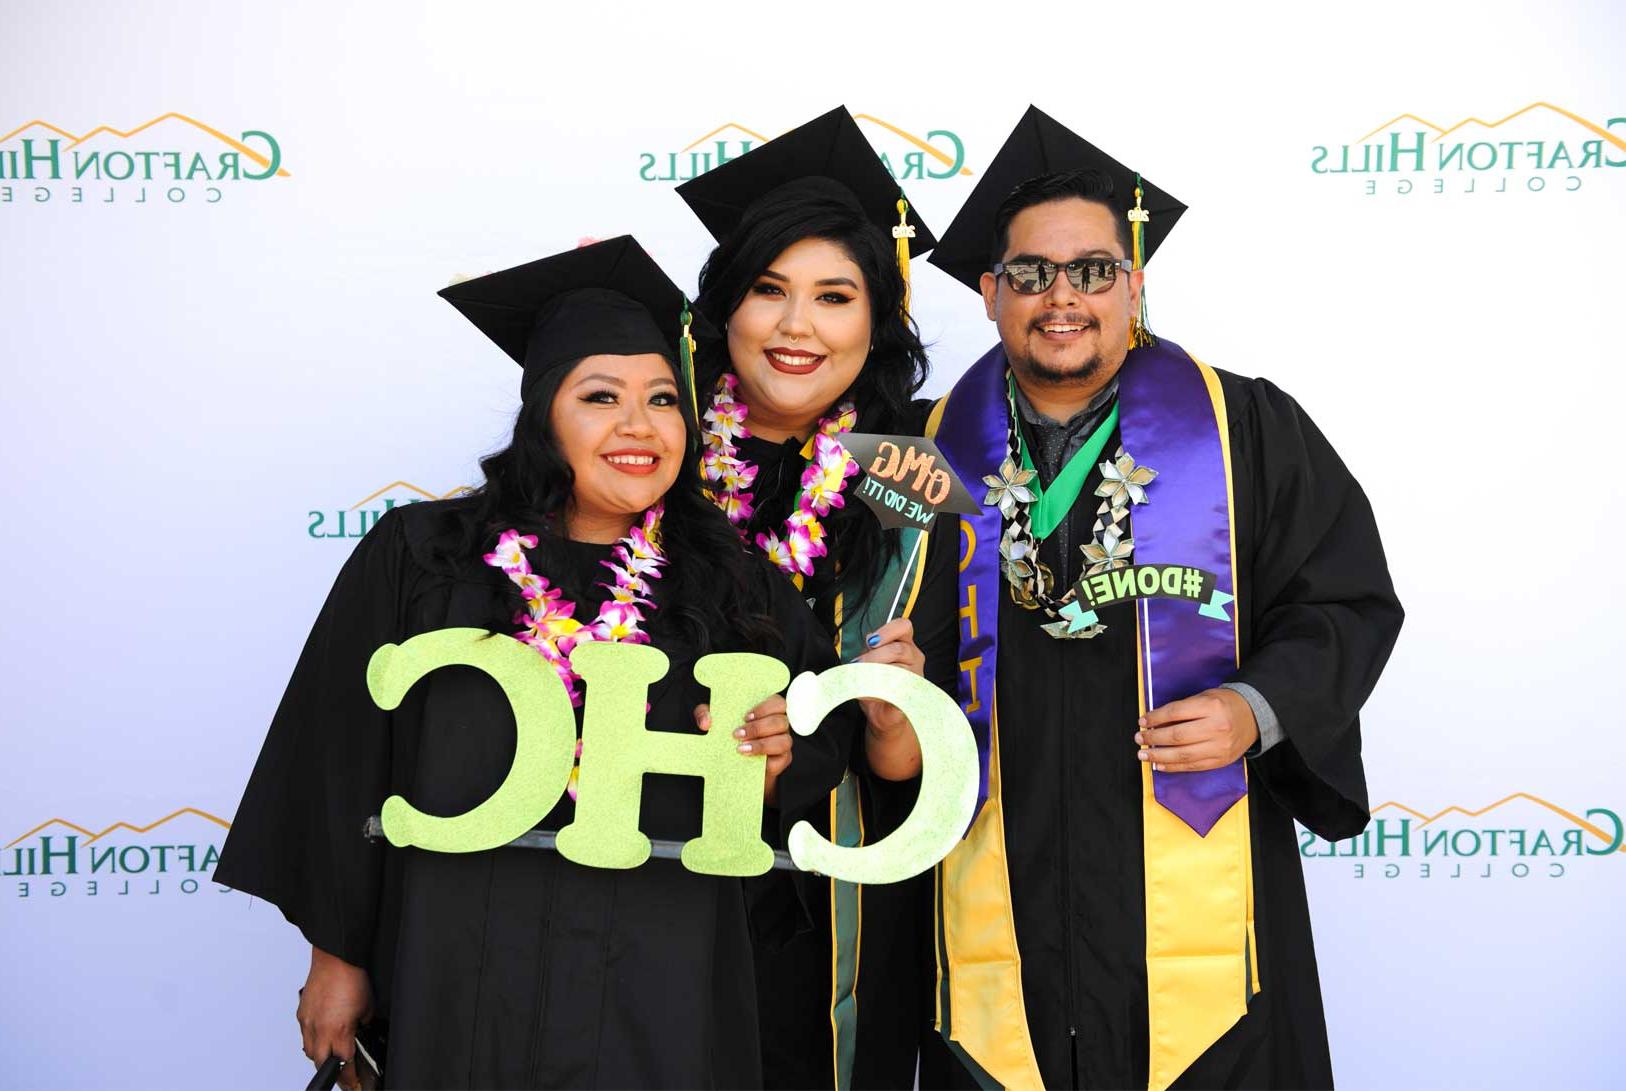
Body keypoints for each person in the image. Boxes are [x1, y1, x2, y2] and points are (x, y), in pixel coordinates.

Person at [214, 236, 879, 1089]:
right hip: (460, 975)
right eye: (600, 396)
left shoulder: (730, 584)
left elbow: (816, 735)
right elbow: (342, 759)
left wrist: (781, 748)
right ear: (543, 416)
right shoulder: (425, 559)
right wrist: (337, 957)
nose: (639, 427)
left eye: (663, 399)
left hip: (661, 984)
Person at [911, 107, 1405, 1090]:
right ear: (989, 290)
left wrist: (1252, 708)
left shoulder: (1243, 428)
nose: (1064, 297)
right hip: (999, 894)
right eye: (1031, 274)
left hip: (1196, 892)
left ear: (1134, 283)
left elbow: (1344, 601)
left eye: (1094, 269)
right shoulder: (923, 453)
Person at [675, 106, 956, 1089]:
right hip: (646, 881)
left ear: (876, 319)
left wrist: (894, 718)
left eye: (835, 297)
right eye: (769, 290)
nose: (798, 327)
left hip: (838, 902)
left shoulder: (906, 489)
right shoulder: (643, 458)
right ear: (725, 310)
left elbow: (925, 767)